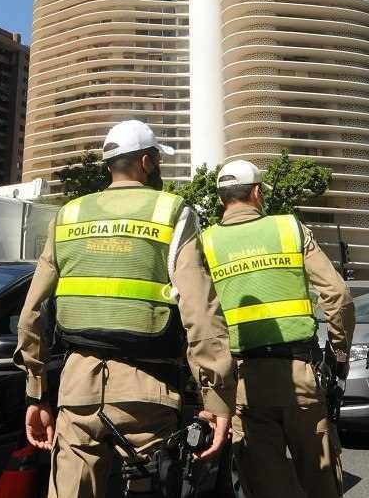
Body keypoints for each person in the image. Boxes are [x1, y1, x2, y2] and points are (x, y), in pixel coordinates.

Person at [13, 120, 235, 496]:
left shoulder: (69, 214)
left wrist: (37, 393)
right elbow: (201, 313)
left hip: (76, 390)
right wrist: (215, 398)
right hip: (147, 390)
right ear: (147, 161)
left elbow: (31, 312)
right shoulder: (172, 211)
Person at [200, 159, 354, 498]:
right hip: (299, 373)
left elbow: (198, 318)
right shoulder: (289, 228)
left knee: (264, 484)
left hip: (243, 384)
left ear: (221, 198)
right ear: (256, 192)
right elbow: (337, 295)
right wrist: (338, 354)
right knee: (320, 481)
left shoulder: (205, 243)